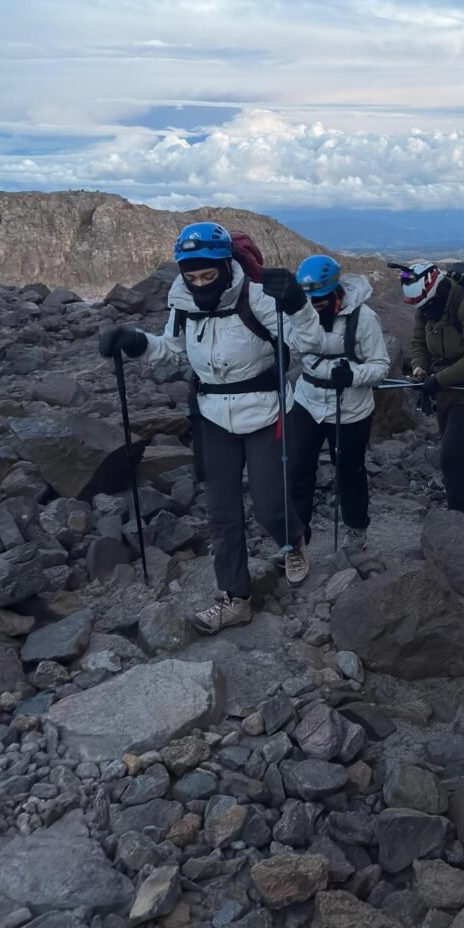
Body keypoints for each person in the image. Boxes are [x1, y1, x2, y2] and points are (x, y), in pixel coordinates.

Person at [98, 222, 322, 630]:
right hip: (212, 416)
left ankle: (293, 539)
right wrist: (138, 343)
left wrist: (298, 307)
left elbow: (308, 345)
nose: (200, 284)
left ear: (226, 265)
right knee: (222, 513)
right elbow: (175, 354)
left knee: (270, 505)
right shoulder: (183, 303)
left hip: (266, 411)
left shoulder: (258, 297)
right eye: (192, 276)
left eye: (208, 275)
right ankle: (234, 598)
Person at [288, 255, 389, 551]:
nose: (313, 307)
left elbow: (381, 365)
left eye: (319, 300)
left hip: (351, 408)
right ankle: (296, 537)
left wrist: (354, 375)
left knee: (349, 471)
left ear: (336, 292)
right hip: (307, 401)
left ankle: (356, 528)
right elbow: (292, 349)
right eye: (308, 302)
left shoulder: (364, 318)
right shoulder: (299, 314)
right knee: (298, 469)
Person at [401, 261, 464, 515]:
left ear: (436, 291)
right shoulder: (427, 305)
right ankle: (458, 504)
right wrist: (420, 367)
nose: (424, 311)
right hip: (443, 383)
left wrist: (437, 381)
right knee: (451, 449)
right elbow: (418, 341)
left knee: (452, 451)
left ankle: (460, 511)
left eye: (427, 305)